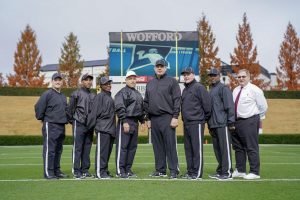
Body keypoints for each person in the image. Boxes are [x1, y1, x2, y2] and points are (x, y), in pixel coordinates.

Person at [144, 59, 181, 179]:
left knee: (170, 145)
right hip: (154, 119)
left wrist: (175, 116)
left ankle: (174, 170)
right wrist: (148, 118)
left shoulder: (172, 82)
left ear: (166, 68)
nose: (159, 68)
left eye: (162, 66)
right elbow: (146, 102)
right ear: (154, 68)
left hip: (167, 117)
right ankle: (160, 170)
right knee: (157, 146)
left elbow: (177, 99)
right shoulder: (150, 83)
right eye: (157, 66)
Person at [232, 69, 268, 180]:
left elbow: (263, 107)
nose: (241, 79)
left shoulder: (255, 90)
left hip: (250, 121)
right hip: (236, 121)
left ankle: (254, 172)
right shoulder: (235, 90)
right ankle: (241, 170)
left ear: (249, 77)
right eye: (239, 77)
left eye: (243, 76)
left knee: (251, 146)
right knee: (238, 147)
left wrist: (256, 118)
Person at [34, 73, 68, 179]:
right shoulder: (47, 94)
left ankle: (56, 170)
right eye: (55, 80)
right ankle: (49, 172)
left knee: (58, 149)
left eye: (59, 80)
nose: (58, 82)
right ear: (52, 82)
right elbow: (38, 107)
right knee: (50, 149)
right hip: (51, 125)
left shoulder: (63, 96)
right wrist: (43, 119)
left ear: (62, 82)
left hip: (61, 125)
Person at [181, 67, 211, 180]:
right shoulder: (185, 89)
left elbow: (207, 106)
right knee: (188, 149)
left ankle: (197, 174)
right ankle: (190, 172)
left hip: (197, 122)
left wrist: (201, 119)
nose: (186, 76)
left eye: (188, 74)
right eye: (184, 74)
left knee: (196, 149)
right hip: (187, 123)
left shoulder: (199, 87)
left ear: (193, 75)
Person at [114, 70, 145, 179]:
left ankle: (127, 169)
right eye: (130, 78)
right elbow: (119, 106)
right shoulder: (123, 92)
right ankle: (120, 170)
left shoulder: (137, 93)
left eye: (134, 78)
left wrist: (142, 121)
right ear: (126, 80)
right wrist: (124, 121)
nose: (132, 80)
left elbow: (141, 109)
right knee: (123, 147)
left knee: (132, 148)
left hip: (135, 122)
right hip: (126, 121)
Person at [207, 68, 235, 180]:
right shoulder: (211, 89)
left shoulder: (224, 88)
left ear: (219, 76)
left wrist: (231, 122)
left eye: (214, 75)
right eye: (210, 75)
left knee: (225, 149)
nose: (212, 77)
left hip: (222, 123)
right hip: (213, 124)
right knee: (217, 150)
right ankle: (221, 171)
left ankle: (227, 173)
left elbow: (229, 106)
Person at [67, 73, 95, 179]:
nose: (88, 82)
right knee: (78, 148)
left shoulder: (93, 95)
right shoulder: (76, 93)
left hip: (89, 126)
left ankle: (85, 170)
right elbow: (70, 109)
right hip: (79, 123)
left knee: (87, 148)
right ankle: (76, 170)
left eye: (90, 80)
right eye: (86, 80)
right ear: (82, 81)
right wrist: (73, 121)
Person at [87, 76, 115, 179]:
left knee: (107, 152)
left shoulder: (109, 97)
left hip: (110, 129)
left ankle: (104, 170)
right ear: (101, 86)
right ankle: (100, 172)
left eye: (109, 83)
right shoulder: (99, 97)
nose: (108, 85)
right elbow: (94, 113)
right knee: (102, 152)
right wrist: (89, 127)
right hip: (102, 128)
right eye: (106, 84)